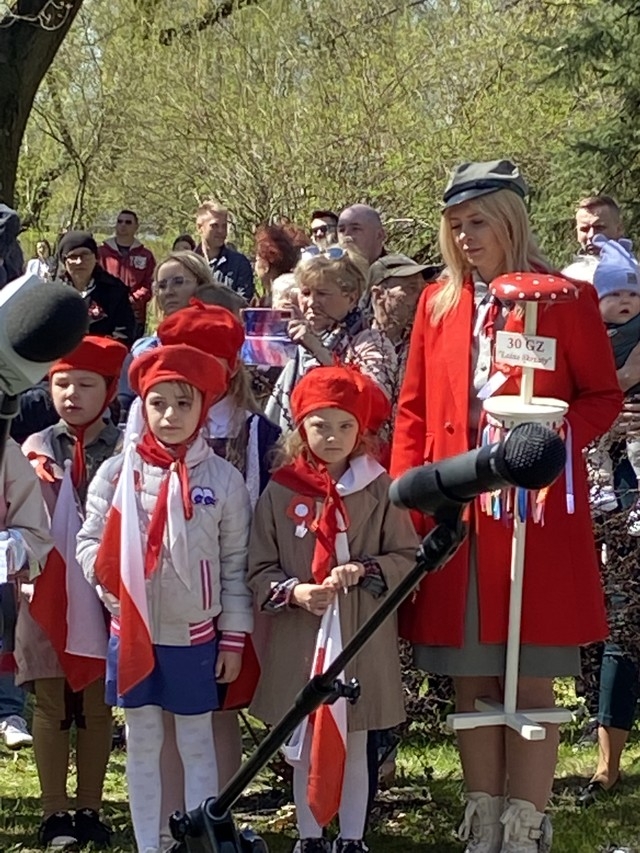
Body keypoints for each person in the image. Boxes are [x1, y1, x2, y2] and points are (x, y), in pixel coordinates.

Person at [390, 159, 622, 853]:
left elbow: (601, 396)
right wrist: (411, 496)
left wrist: (549, 443)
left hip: (537, 517)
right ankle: (482, 822)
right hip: (461, 513)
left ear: (512, 220)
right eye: (454, 226)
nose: (464, 237)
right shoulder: (437, 304)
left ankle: (526, 827)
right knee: (474, 674)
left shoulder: (565, 301)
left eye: (478, 222)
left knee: (531, 678)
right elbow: (413, 408)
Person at [77, 343, 253, 853]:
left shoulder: (224, 480)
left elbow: (235, 567)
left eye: (183, 403)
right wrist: (110, 581)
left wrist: (233, 639)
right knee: (143, 742)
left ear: (203, 408)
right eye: (158, 403)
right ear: (142, 406)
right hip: (132, 631)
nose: (170, 415)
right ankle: (148, 844)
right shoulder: (117, 473)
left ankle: (196, 844)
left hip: (192, 635)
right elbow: (89, 541)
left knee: (197, 743)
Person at [248, 365, 418, 853]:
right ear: (301, 428)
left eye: (345, 426)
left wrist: (364, 569)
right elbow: (259, 566)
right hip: (302, 637)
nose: (333, 436)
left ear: (361, 431)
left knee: (357, 737)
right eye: (320, 425)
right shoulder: (282, 490)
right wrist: (295, 591)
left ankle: (352, 836)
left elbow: (408, 556)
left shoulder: (381, 488)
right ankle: (309, 836)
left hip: (359, 631)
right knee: (304, 736)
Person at [15, 336, 127, 850]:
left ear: (108, 391)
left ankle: (90, 807)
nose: (72, 394)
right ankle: (54, 811)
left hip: (109, 590)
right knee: (48, 697)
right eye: (62, 383)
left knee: (97, 703)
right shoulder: (31, 449)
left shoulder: (127, 451)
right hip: (45, 590)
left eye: (87, 385)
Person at [264, 246, 396, 432]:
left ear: (351, 298)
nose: (311, 303)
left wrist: (318, 351)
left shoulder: (371, 342)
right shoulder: (297, 340)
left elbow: (375, 404)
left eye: (322, 294)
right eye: (306, 293)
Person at [0, 439, 52, 750]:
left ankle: (8, 709)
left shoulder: (5, 450)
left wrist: (10, 548)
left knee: (7, 621)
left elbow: (33, 528)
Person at [588, 235, 640, 531]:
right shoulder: (589, 330)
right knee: (595, 446)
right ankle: (601, 488)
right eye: (615, 295)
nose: (625, 301)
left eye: (632, 295)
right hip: (602, 414)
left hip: (634, 410)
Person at [369, 254, 431, 413]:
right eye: (411, 289)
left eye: (423, 289)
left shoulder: (427, 342)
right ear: (379, 295)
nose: (421, 297)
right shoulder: (354, 344)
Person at [58, 231, 135, 347]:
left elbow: (123, 334)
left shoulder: (115, 291)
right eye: (73, 256)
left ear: (96, 257)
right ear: (64, 261)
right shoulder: (54, 293)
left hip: (102, 359)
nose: (79, 261)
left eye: (85, 254)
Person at [98, 210, 156, 337]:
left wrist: (133, 299)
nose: (123, 225)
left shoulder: (145, 255)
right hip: (105, 312)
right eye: (120, 221)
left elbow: (151, 283)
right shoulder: (101, 253)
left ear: (136, 227)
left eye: (128, 222)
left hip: (135, 314)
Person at [195, 200, 255, 301]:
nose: (221, 231)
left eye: (224, 226)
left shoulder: (239, 264)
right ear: (200, 228)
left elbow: (243, 302)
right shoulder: (187, 265)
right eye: (214, 226)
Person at [563, 195, 624, 283]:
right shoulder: (569, 277)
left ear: (619, 229)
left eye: (599, 228)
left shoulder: (634, 273)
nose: (591, 235)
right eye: (584, 229)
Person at [254, 224, 299, 306]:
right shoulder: (299, 289)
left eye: (257, 260)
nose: (255, 266)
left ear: (265, 266)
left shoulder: (272, 301)